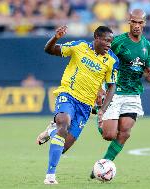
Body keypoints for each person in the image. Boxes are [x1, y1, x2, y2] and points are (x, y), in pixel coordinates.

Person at [38, 25, 119, 184]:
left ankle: (51, 132)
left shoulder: (112, 60)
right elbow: (49, 50)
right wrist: (56, 37)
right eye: (106, 41)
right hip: (68, 94)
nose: (109, 45)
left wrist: (102, 110)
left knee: (63, 146)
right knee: (64, 123)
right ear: (96, 37)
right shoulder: (79, 47)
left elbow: (112, 87)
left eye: (111, 42)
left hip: (85, 107)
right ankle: (50, 177)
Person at [90, 8, 150, 178]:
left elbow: (146, 71)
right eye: (134, 22)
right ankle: (97, 112)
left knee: (125, 132)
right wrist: (100, 86)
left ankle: (103, 164)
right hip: (114, 91)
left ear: (144, 23)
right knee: (109, 135)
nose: (137, 25)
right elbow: (101, 58)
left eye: (140, 22)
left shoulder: (147, 46)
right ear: (129, 22)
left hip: (133, 93)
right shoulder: (118, 41)